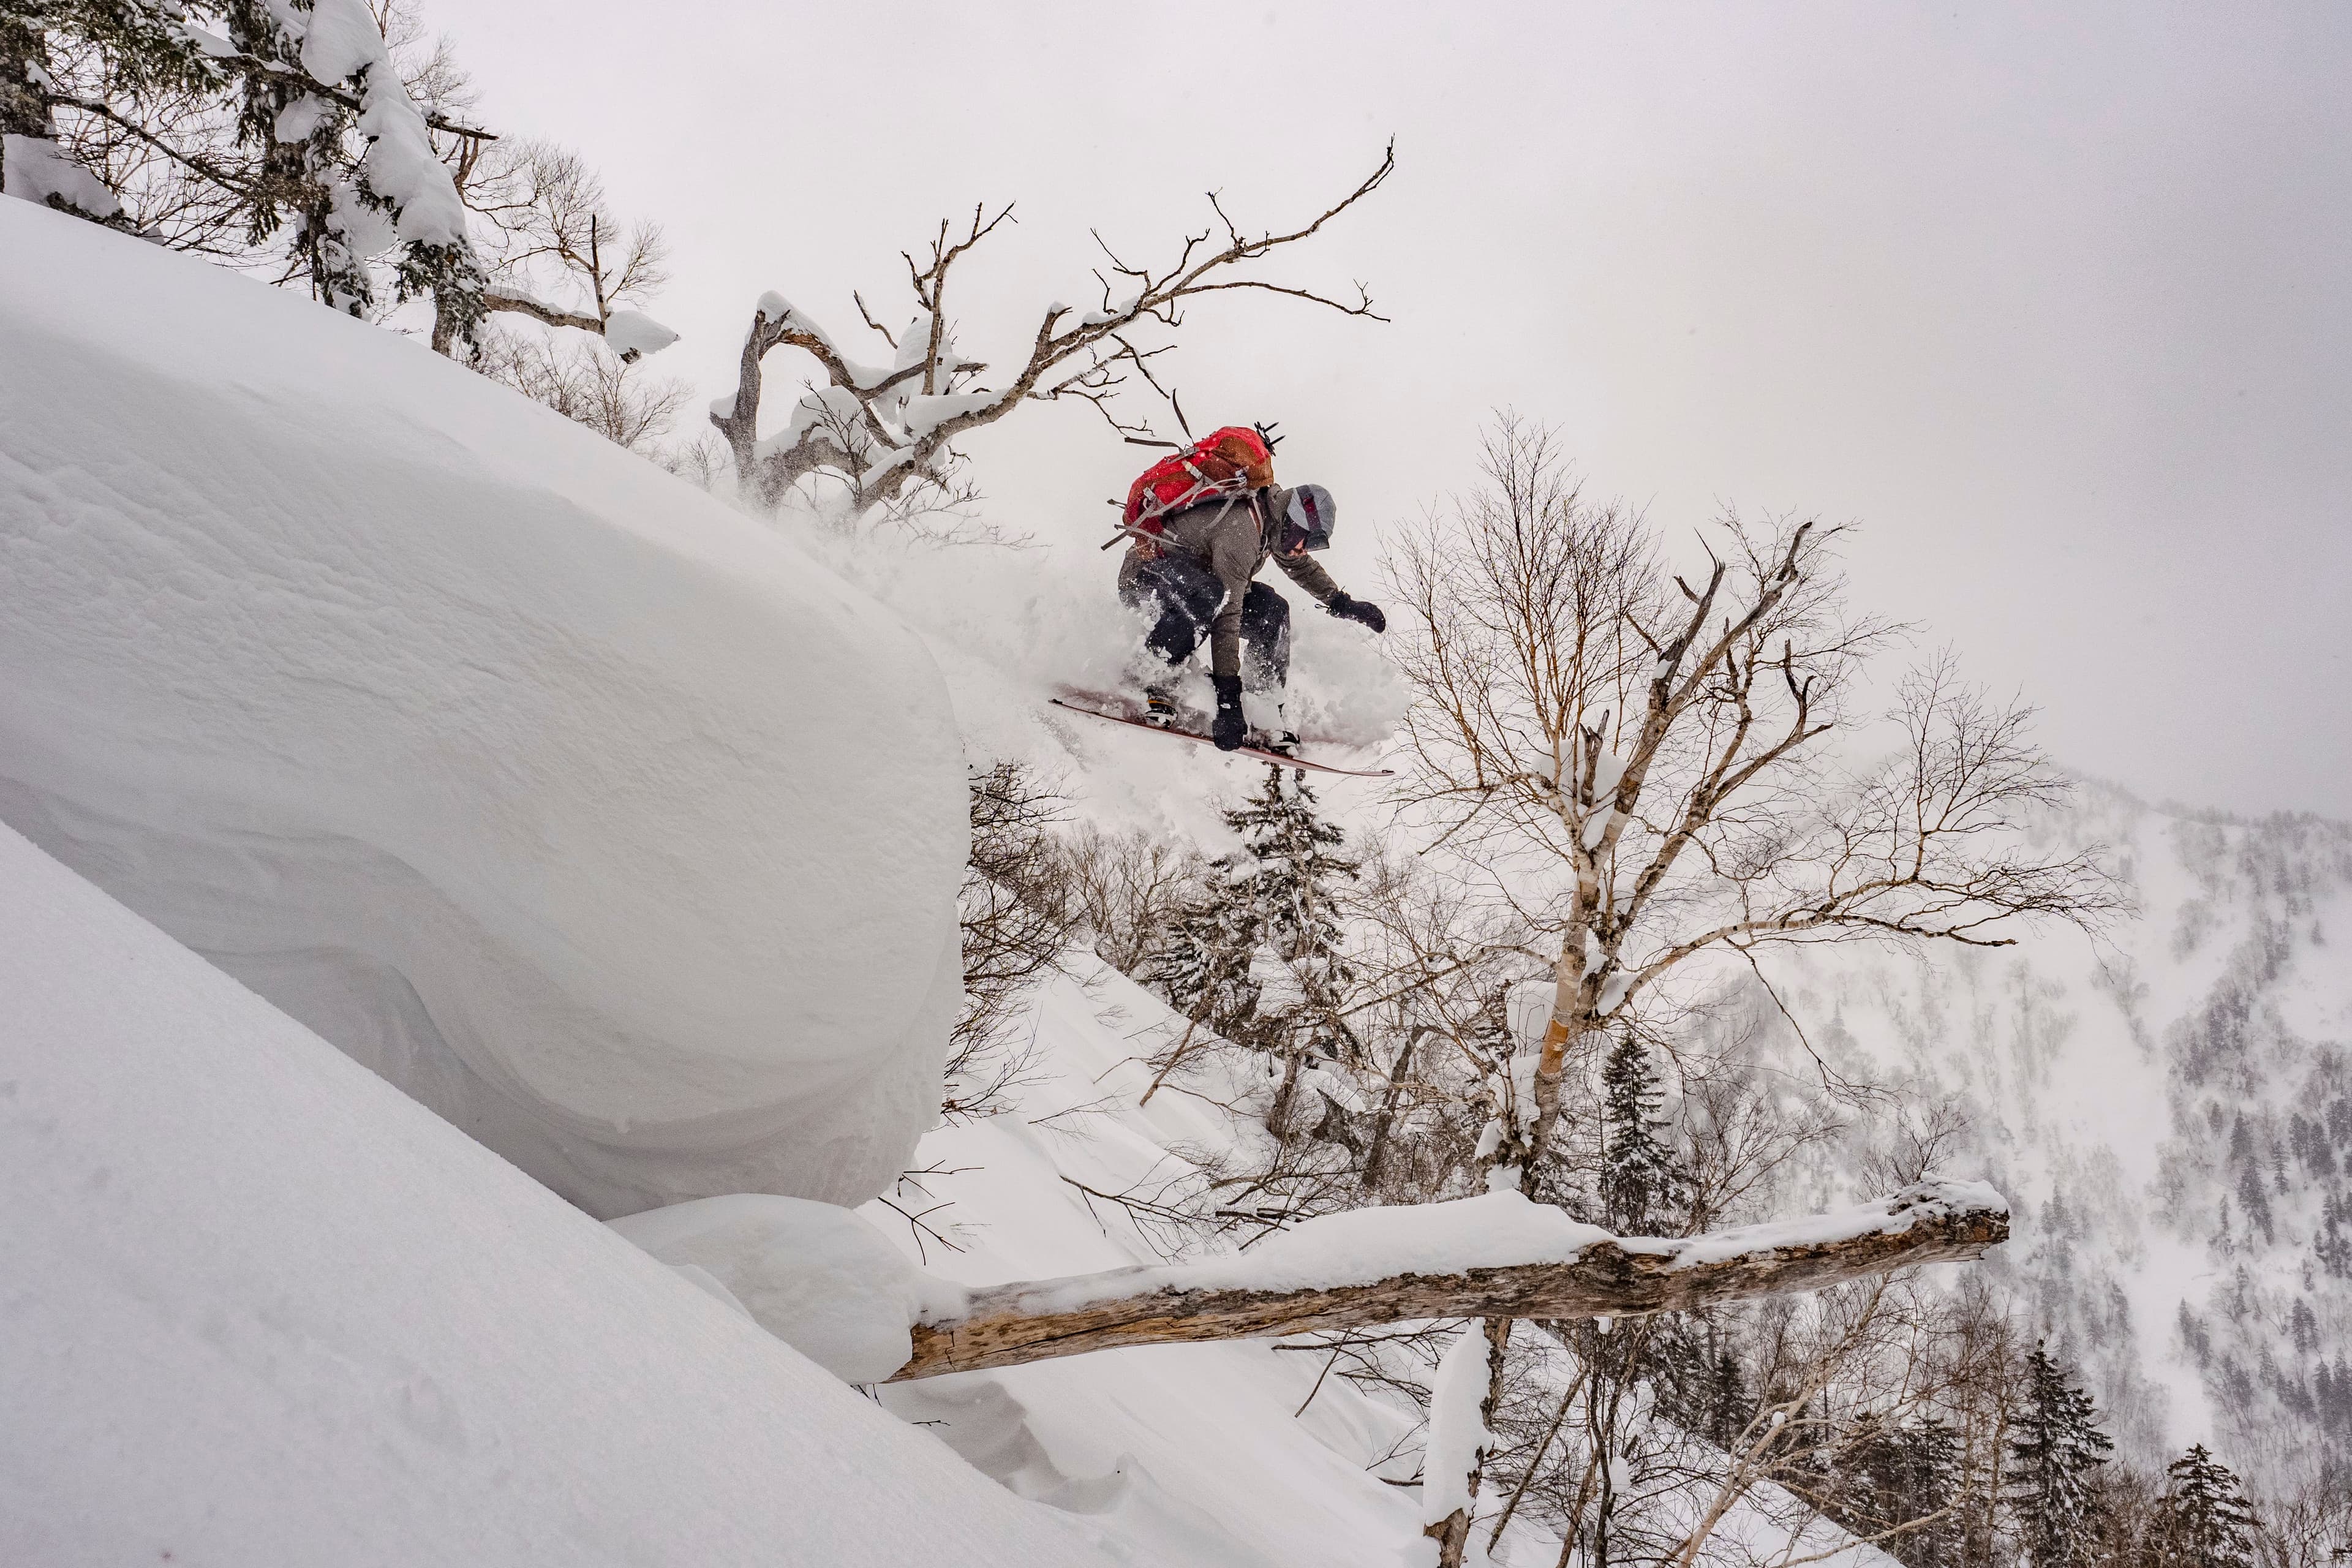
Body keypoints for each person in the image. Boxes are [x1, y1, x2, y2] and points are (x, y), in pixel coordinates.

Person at [1118, 473, 1387, 753]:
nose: (1301, 549)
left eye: (1311, 545)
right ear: (1292, 522)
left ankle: (1264, 708)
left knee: (1273, 611)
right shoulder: (1244, 528)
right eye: (1305, 540)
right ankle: (1149, 680)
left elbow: (1301, 567)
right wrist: (1228, 701)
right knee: (1210, 597)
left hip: (1199, 587)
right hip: (1147, 575)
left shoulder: (1272, 524)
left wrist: (1342, 603)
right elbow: (1227, 618)